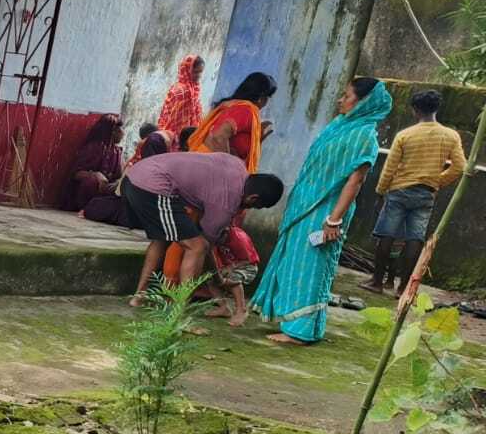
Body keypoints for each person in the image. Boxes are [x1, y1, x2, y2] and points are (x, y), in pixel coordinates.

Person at [250, 79, 391, 345]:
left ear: (364, 102)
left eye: (346, 96)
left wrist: (333, 220)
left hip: (326, 211)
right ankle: (294, 321)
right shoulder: (339, 126)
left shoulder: (364, 136)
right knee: (294, 263)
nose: (340, 100)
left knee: (311, 266)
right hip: (305, 206)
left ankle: (301, 331)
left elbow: (355, 180)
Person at [123, 152, 284, 324]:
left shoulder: (237, 165)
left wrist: (218, 278)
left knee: (163, 238)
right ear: (252, 198)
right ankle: (179, 316)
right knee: (196, 246)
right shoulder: (225, 205)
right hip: (152, 186)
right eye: (255, 207)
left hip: (136, 175)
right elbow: (204, 248)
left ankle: (139, 297)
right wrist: (219, 278)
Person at [166, 71, 279, 282]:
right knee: (190, 235)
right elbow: (218, 136)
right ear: (261, 97)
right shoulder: (246, 110)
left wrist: (257, 140)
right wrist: (229, 170)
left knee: (193, 235)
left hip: (205, 175)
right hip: (211, 181)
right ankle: (173, 288)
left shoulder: (231, 106)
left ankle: (185, 287)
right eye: (267, 98)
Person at [363, 88, 466, 294]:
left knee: (386, 235)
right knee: (415, 239)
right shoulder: (451, 136)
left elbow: (389, 168)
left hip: (399, 191)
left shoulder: (405, 135)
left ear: (415, 110)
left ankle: (377, 282)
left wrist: (381, 191)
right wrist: (436, 182)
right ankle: (403, 288)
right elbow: (460, 167)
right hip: (426, 194)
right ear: (436, 109)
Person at [59, 115, 125, 213]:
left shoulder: (117, 151)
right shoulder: (93, 148)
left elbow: (118, 175)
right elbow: (75, 174)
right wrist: (94, 175)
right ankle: (86, 208)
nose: (123, 133)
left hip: (105, 191)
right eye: (119, 129)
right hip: (91, 191)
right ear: (111, 132)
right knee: (92, 181)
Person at [158, 55, 205, 137]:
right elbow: (175, 121)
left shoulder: (194, 89)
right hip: (176, 136)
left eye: (200, 72)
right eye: (195, 72)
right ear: (187, 70)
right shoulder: (181, 91)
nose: (199, 75)